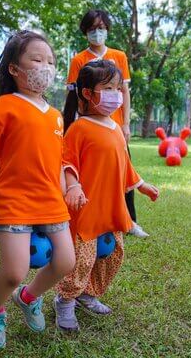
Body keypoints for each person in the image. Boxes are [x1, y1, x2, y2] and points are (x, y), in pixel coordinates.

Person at [0, 30, 75, 349]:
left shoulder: (56, 116)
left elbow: (56, 162)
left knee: (66, 262)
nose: (46, 67)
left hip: (51, 202)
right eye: (37, 59)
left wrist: (66, 190)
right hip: (14, 201)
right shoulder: (4, 106)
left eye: (51, 61)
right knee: (14, 271)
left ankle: (29, 297)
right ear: (14, 69)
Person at [54, 60, 160, 331]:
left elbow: (124, 164)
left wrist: (142, 185)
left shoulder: (114, 128)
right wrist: (74, 186)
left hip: (112, 209)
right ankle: (65, 301)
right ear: (88, 93)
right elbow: (67, 163)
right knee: (83, 258)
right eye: (108, 88)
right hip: (87, 209)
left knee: (113, 255)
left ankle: (88, 294)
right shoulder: (78, 128)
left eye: (117, 88)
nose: (116, 94)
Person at [67, 9, 147, 238]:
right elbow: (73, 94)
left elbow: (125, 91)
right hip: (90, 125)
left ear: (108, 30)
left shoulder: (118, 56)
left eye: (101, 28)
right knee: (89, 175)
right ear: (85, 32)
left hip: (115, 127)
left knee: (122, 171)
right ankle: (89, 217)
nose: (97, 33)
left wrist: (126, 123)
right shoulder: (78, 60)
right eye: (92, 28)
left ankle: (129, 220)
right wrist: (72, 121)